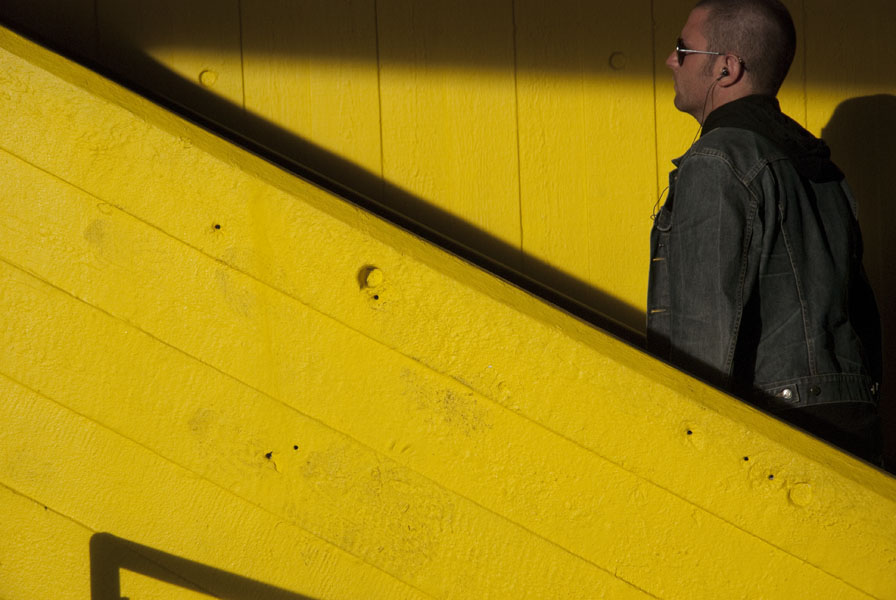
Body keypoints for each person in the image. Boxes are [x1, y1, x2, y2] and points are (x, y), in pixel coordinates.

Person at [647, 0, 883, 464]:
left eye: (683, 48)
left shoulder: (717, 161)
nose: (671, 60)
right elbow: (863, 318)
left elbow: (701, 346)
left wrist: (688, 450)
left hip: (774, 432)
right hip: (851, 425)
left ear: (726, 68)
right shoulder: (822, 169)